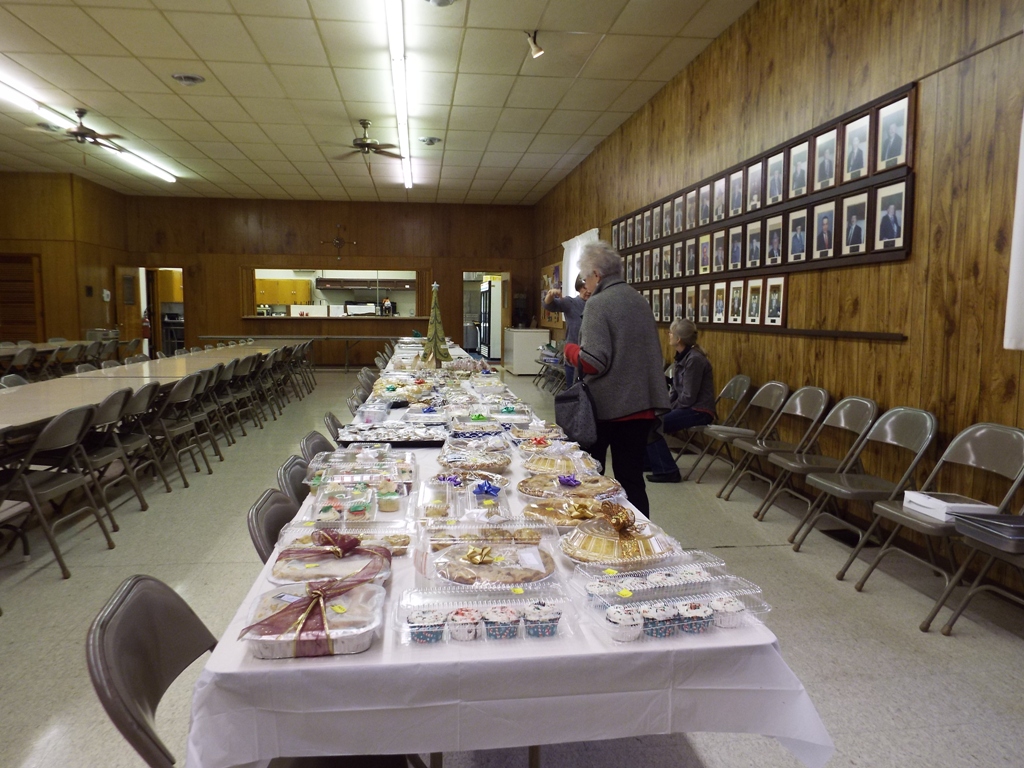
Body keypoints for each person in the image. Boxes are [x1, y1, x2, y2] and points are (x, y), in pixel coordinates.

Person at [563, 241, 668, 516]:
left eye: (586, 278)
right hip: (641, 407)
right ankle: (637, 534)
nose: (585, 285)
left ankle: (590, 530)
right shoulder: (639, 300)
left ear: (597, 274)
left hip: (608, 408)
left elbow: (593, 362)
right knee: (632, 480)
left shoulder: (598, 304)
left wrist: (570, 350)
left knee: (590, 476)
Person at [643, 319, 715, 483]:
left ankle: (668, 470)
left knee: (654, 424)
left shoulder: (694, 360)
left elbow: (688, 397)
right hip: (688, 408)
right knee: (649, 419)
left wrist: (669, 410)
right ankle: (651, 463)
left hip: (700, 411)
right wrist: (665, 408)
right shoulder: (682, 357)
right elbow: (676, 391)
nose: (668, 335)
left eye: (671, 333)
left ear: (679, 338)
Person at [544, 275, 591, 385]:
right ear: (579, 288)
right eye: (584, 288)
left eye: (590, 288)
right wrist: (551, 294)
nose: (588, 291)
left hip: (591, 358)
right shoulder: (571, 303)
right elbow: (549, 305)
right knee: (572, 390)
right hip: (573, 357)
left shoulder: (598, 305)